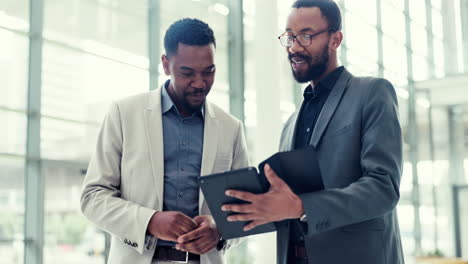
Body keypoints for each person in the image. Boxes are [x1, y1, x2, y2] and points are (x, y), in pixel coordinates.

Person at [221, 1, 404, 263]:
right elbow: (288, 203)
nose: (294, 47)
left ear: (335, 39)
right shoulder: (291, 123)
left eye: (306, 36)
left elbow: (383, 187)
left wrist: (302, 207)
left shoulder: (372, 93)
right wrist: (245, 210)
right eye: (290, 37)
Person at [81, 18, 249, 264]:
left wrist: (218, 228)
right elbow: (93, 197)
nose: (200, 83)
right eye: (187, 73)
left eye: (209, 71)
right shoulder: (124, 113)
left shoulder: (231, 128)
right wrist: (150, 221)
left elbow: (245, 207)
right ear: (165, 64)